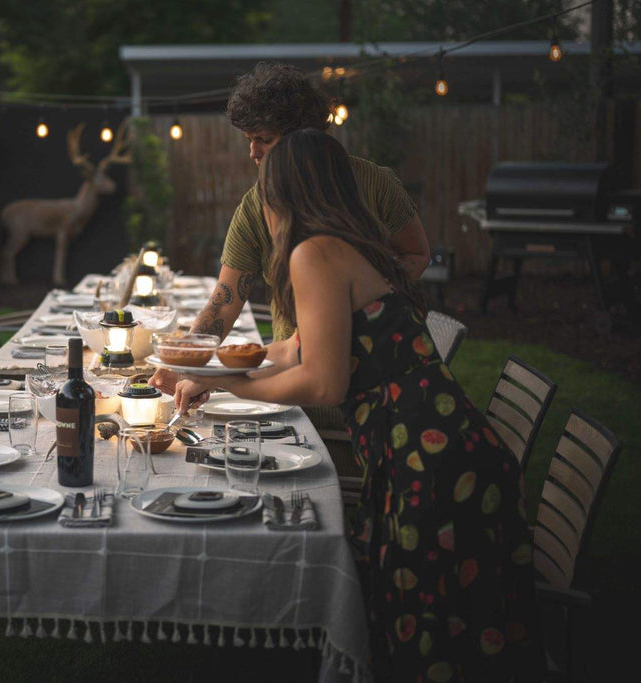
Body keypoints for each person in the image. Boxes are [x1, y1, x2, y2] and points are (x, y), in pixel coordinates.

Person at [175, 129, 542, 681]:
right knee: (467, 638)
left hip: (428, 462)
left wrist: (230, 387)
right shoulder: (343, 244)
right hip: (444, 445)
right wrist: (210, 368)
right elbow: (294, 347)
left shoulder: (312, 252)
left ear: (287, 192)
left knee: (435, 642)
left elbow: (324, 384)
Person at [151, 62, 430, 398]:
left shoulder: (315, 253)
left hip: (385, 420)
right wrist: (198, 368)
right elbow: (287, 346)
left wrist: (226, 381)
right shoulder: (317, 239)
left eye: (264, 140)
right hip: (325, 385)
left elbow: (323, 384)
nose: (252, 153)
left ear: (301, 142)